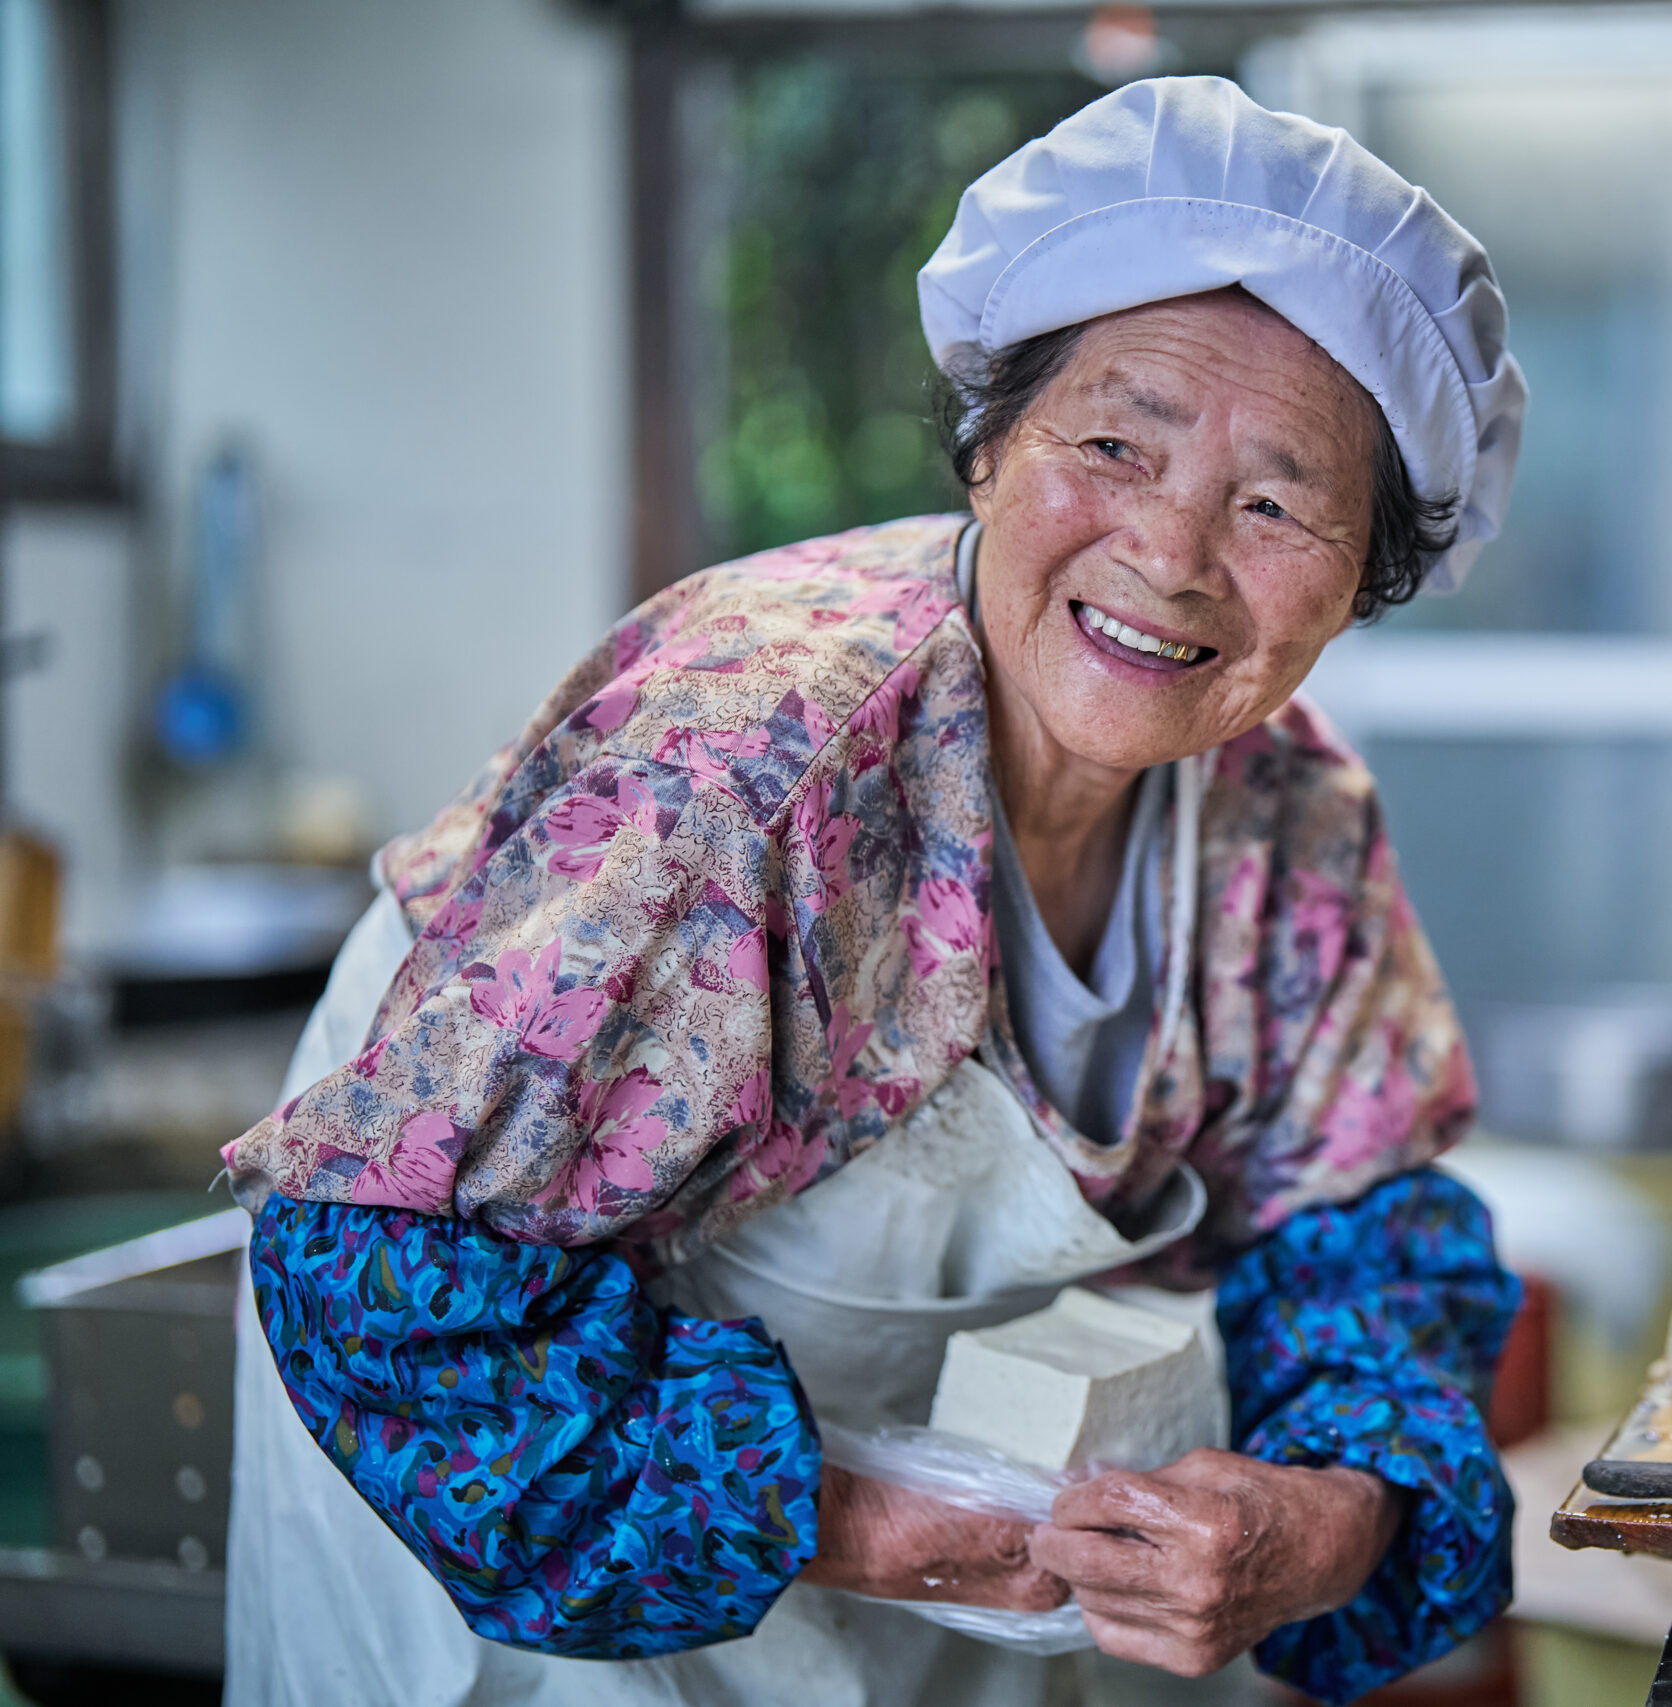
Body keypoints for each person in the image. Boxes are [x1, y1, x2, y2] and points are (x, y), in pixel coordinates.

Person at [220, 74, 1530, 1707]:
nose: (1175, 556)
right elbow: (382, 1280)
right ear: (989, 449)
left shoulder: (1294, 825)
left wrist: (1334, 1514)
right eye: (1114, 444)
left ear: (1363, 583)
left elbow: (1366, 1227)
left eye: (1276, 504)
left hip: (941, 1521)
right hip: (515, 1538)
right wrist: (844, 1519)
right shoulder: (741, 772)